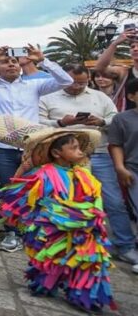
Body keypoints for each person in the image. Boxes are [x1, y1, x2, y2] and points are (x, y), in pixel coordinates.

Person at [0, 120, 115, 312]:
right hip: (52, 228)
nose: (80, 152)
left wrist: (92, 215)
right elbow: (19, 192)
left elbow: (93, 197)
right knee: (50, 258)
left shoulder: (84, 175)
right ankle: (46, 283)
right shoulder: (44, 174)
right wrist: (23, 171)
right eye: (73, 148)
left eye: (80, 148)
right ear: (57, 153)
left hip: (83, 228)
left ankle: (82, 295)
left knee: (88, 260)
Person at [0, 45, 73, 252]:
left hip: (32, 147)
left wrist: (43, 60)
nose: (11, 64)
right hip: (3, 148)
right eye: (5, 62)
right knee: (10, 189)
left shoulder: (35, 85)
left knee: (37, 189)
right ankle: (11, 232)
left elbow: (66, 81)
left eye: (14, 61)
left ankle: (35, 231)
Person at [38, 64, 133, 263]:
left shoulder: (101, 97)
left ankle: (125, 245)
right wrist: (61, 123)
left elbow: (115, 118)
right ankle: (63, 243)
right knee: (65, 201)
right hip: (62, 160)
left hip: (99, 154)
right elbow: (37, 122)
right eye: (73, 82)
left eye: (82, 83)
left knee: (114, 201)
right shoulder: (47, 98)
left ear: (88, 78)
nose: (77, 87)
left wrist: (101, 122)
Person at [108, 78, 138, 274]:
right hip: (134, 170)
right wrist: (120, 167)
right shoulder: (122, 119)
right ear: (132, 96)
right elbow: (116, 144)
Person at [96, 25, 138, 111]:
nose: (135, 49)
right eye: (132, 47)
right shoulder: (124, 72)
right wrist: (115, 44)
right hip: (128, 117)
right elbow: (100, 68)